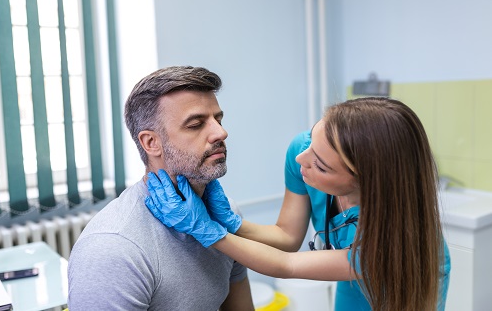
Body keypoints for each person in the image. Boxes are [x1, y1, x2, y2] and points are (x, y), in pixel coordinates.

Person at [145, 97, 451, 311]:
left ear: (364, 182)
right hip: (353, 285)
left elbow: (286, 265)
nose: (302, 160)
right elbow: (288, 239)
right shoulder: (305, 149)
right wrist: (233, 224)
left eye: (320, 166)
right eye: (312, 143)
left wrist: (208, 231)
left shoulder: (391, 243)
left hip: (404, 280)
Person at [67, 66, 255, 310]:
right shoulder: (113, 249)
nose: (221, 132)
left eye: (218, 119)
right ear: (151, 142)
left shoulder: (225, 216)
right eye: (196, 124)